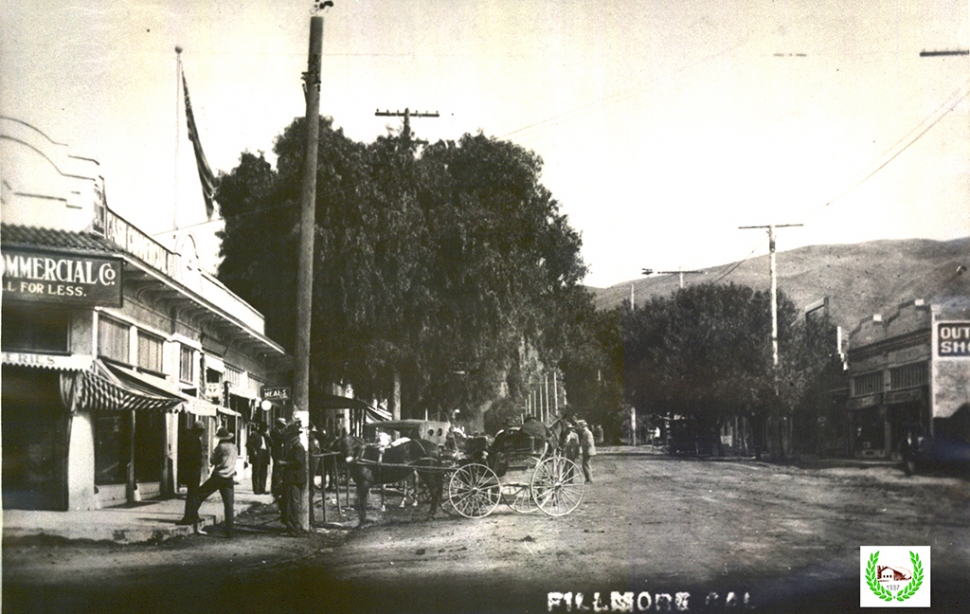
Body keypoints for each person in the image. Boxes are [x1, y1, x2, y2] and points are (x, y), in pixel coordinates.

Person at [186, 426, 238, 537]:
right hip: (229, 478)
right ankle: (230, 531)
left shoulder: (221, 447)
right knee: (229, 505)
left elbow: (213, 460)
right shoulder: (235, 447)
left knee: (199, 494)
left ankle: (190, 517)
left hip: (218, 476)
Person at [175, 421, 206, 526]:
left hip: (189, 469)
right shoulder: (194, 440)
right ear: (198, 431)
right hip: (193, 470)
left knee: (193, 493)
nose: (202, 433)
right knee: (192, 493)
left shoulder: (189, 438)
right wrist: (199, 462)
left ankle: (193, 515)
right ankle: (189, 517)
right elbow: (193, 455)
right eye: (201, 430)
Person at [279, 420, 307, 536]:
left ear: (294, 437)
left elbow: (298, 463)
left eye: (290, 436)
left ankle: (295, 529)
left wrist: (284, 463)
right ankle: (294, 527)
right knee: (291, 503)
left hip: (294, 479)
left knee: (294, 504)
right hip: (293, 479)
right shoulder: (295, 447)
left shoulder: (298, 447)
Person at [247, 422, 270, 494]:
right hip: (258, 453)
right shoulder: (255, 434)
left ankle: (262, 488)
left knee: (264, 472)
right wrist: (254, 451)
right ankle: (256, 489)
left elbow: (272, 443)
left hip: (265, 454)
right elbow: (248, 444)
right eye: (264, 428)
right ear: (260, 428)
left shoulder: (265, 436)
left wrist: (268, 437)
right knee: (256, 472)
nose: (265, 430)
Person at [269, 417, 287, 503]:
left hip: (280, 452)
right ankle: (274, 488)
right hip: (276, 453)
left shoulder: (279, 431)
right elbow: (279, 439)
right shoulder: (274, 432)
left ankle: (277, 486)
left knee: (279, 471)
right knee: (276, 470)